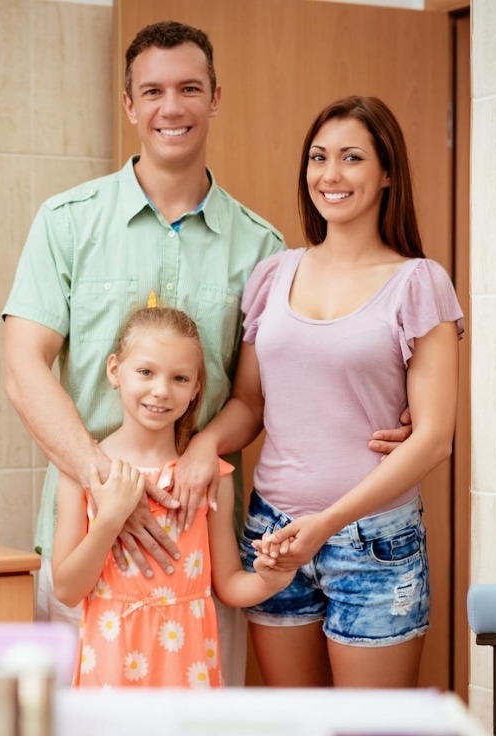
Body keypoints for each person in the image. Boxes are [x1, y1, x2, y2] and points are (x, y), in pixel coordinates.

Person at [1, 21, 410, 682]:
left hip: (200, 553)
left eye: (190, 88)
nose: (172, 107)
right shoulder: (66, 221)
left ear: (215, 97)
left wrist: (399, 411)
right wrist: (109, 486)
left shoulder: (262, 249)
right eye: (153, 91)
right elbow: (24, 371)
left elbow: (268, 393)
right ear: (130, 105)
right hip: (86, 547)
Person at [185, 96, 464, 689]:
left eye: (352, 158)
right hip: (274, 535)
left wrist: (326, 523)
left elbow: (435, 437)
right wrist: (201, 447)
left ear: (387, 173)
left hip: (375, 542)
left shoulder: (418, 283)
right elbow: (249, 404)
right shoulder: (273, 275)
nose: (330, 175)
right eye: (319, 157)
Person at [51, 305, 294, 688]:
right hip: (111, 665)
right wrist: (111, 518)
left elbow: (229, 585)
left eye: (180, 378)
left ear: (197, 387)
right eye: (145, 372)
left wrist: (273, 579)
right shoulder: (83, 473)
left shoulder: (211, 477)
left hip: (187, 665)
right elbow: (66, 589)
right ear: (115, 370)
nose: (161, 390)